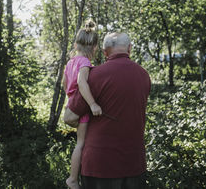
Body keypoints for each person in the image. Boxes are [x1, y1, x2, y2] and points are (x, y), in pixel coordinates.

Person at [64, 32, 151, 189]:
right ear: (129, 49)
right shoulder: (144, 76)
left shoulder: (95, 76)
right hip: (134, 165)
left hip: (100, 167)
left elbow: (69, 117)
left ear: (104, 52)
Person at [63, 20, 103, 189]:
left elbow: (65, 83)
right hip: (83, 108)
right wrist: (93, 103)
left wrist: (70, 99)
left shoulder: (71, 62)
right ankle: (72, 178)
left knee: (80, 142)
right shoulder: (85, 63)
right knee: (81, 144)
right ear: (93, 47)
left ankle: (74, 177)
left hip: (73, 103)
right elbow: (81, 82)